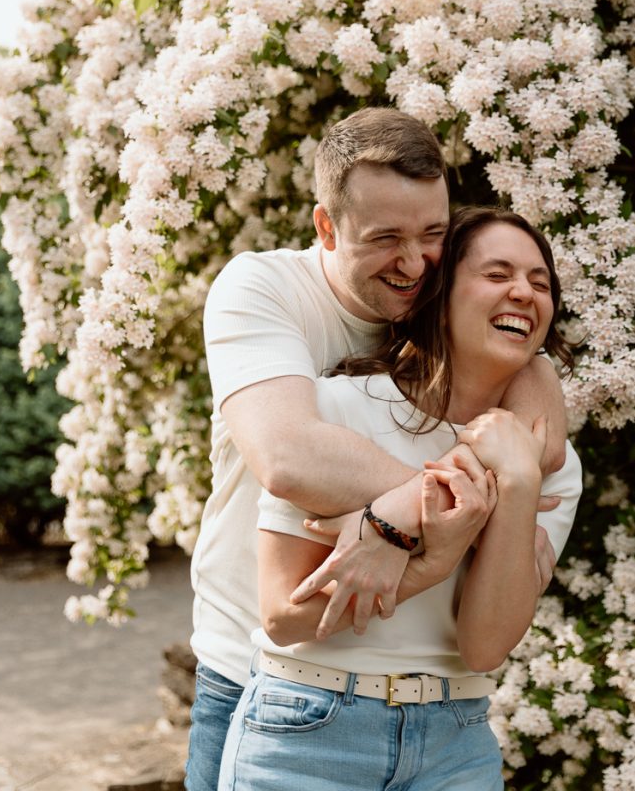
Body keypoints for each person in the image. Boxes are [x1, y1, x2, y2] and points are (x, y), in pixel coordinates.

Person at [187, 108, 569, 790]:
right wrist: (422, 523)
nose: (415, 262)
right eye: (386, 237)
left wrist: (399, 528)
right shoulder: (267, 291)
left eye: (433, 236)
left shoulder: (446, 310)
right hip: (254, 666)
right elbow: (290, 457)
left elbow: (539, 438)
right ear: (327, 227)